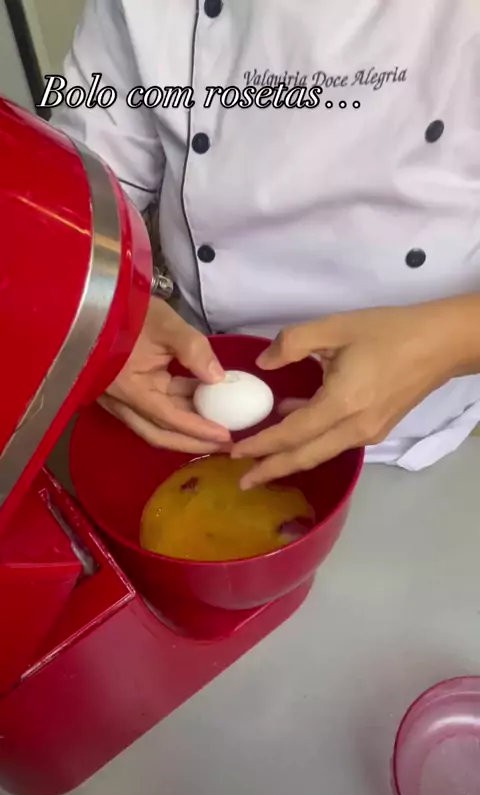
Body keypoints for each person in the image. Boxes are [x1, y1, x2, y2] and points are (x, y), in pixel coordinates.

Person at [50, 0, 480, 489]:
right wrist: (105, 322)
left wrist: (451, 342)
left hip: (426, 425)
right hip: (189, 404)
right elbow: (74, 198)